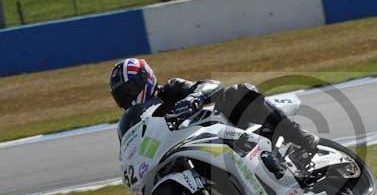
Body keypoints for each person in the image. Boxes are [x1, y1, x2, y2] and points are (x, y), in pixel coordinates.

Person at [109, 58, 319, 153]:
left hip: (220, 129)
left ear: (144, 80)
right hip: (183, 150)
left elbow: (211, 85)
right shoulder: (133, 123)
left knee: (239, 92)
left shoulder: (170, 89)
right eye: (122, 94)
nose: (128, 96)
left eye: (129, 89)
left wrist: (194, 98)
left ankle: (297, 134)